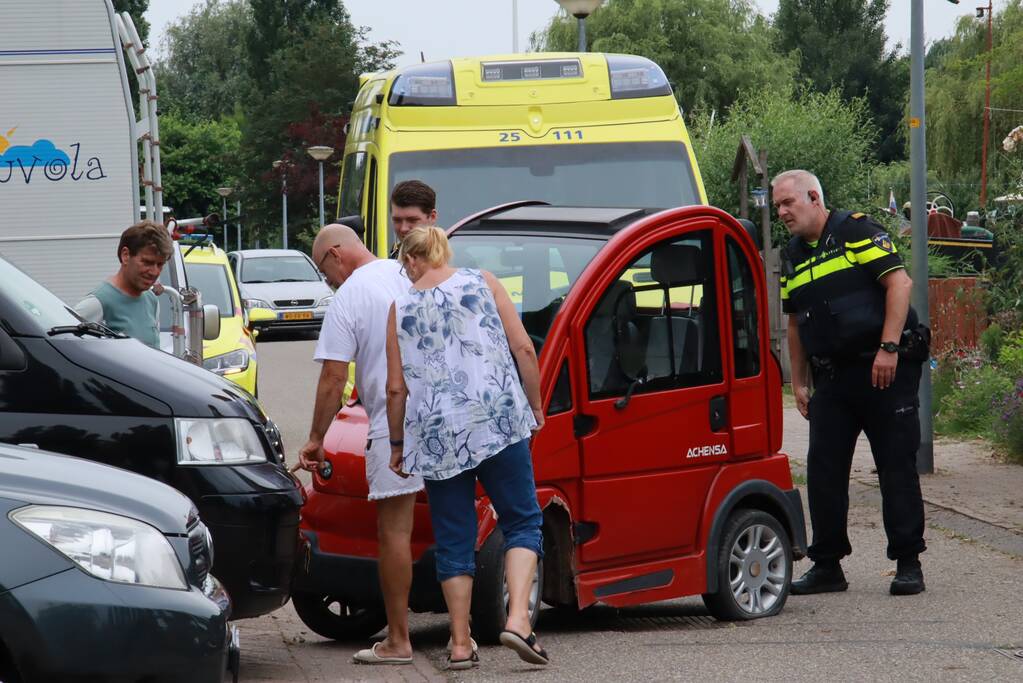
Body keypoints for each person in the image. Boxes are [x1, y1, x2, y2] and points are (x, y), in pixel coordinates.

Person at [385, 226, 548, 670]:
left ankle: (459, 643)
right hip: (497, 418)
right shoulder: (484, 282)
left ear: (414, 260)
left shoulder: (400, 308)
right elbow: (523, 350)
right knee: (522, 519)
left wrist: (398, 444)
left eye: (405, 264)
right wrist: (534, 406)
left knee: (454, 535)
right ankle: (517, 619)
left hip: (438, 434)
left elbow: (396, 390)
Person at [774, 169, 928, 597]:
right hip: (833, 377)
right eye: (778, 206)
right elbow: (794, 322)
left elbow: (899, 284)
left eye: (788, 203)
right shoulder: (792, 254)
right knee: (823, 469)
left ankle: (908, 561)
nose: (782, 212)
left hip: (884, 369)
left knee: (895, 465)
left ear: (813, 197)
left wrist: (889, 349)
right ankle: (828, 565)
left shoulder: (856, 231)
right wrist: (799, 382)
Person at [297, 224, 425, 665]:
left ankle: (398, 641)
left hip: (395, 425)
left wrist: (316, 438)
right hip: (444, 420)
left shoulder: (349, 295)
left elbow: (334, 378)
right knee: (452, 527)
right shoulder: (410, 270)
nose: (327, 279)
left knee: (394, 534)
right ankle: (462, 639)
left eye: (323, 269)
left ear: (336, 254)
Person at [75, 220, 171, 349]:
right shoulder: (97, 303)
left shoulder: (151, 300)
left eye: (160, 264)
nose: (154, 272)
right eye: (147, 262)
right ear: (126, 255)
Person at [389, 180, 437, 257]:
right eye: (397, 220)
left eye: (412, 220)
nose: (403, 228)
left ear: (432, 217)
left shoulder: (455, 259)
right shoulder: (391, 260)